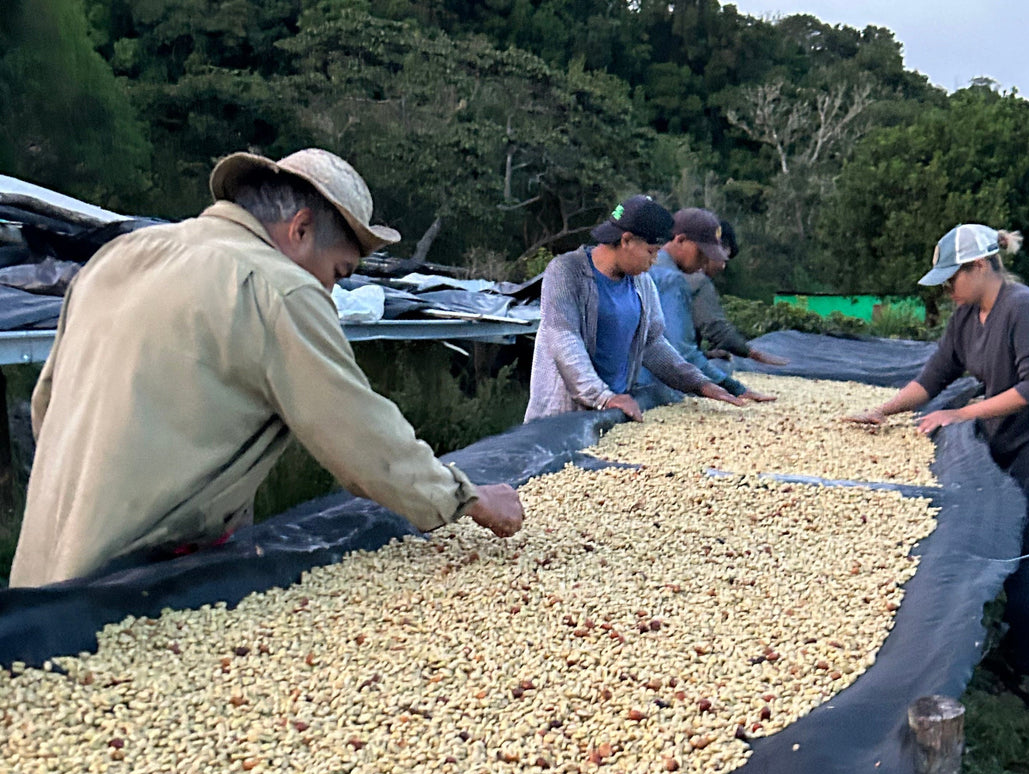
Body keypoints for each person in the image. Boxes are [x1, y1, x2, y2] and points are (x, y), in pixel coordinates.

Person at [11, 148, 524, 587]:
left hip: (34, 583)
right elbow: (359, 436)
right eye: (337, 272)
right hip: (131, 588)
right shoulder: (280, 287)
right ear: (300, 229)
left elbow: (46, 406)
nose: (330, 291)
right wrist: (467, 498)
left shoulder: (118, 256)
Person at [848, 224, 1029, 702]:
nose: (947, 291)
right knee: (994, 547)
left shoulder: (1025, 307)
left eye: (951, 279)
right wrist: (884, 410)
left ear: (980, 266)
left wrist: (961, 414)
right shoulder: (965, 317)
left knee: (1018, 560)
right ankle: (1001, 637)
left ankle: (1027, 672)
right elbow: (933, 377)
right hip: (1002, 445)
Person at [524, 195, 750, 423]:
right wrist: (602, 397)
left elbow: (652, 344)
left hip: (614, 413)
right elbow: (564, 338)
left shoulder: (641, 283)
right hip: (562, 419)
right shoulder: (566, 272)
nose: (655, 260)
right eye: (651, 251)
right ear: (627, 240)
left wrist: (699, 383)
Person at [642, 207, 776, 403]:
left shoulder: (649, 267)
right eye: (701, 252)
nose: (705, 261)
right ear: (680, 240)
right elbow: (682, 352)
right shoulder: (672, 280)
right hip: (648, 387)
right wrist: (733, 388)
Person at [680, 215, 788, 371]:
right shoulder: (695, 280)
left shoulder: (666, 270)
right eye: (723, 259)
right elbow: (716, 328)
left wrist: (704, 355)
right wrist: (752, 353)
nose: (722, 266)